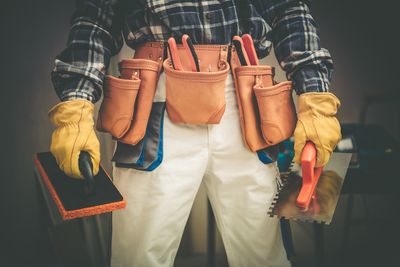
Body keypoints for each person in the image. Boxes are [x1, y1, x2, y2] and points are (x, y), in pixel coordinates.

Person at [49, 0, 341, 266]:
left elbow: (288, 10)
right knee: (138, 258)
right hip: (157, 97)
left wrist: (315, 97)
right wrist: (77, 103)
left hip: (246, 99)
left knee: (264, 257)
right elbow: (98, 17)